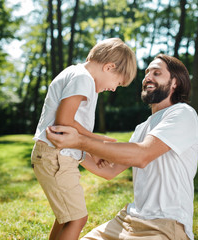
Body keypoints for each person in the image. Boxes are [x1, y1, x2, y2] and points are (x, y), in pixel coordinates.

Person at [46, 54, 198, 240]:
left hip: (164, 226)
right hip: (127, 220)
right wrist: (72, 149)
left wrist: (80, 141)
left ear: (175, 83)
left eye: (157, 73)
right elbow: (109, 171)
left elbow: (142, 155)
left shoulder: (182, 113)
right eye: (147, 73)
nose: (147, 77)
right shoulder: (142, 128)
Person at [31, 38, 137, 240]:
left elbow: (69, 126)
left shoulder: (75, 73)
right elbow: (64, 122)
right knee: (77, 219)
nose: (114, 88)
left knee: (67, 218)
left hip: (56, 156)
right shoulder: (84, 79)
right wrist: (98, 141)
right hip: (55, 157)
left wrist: (90, 151)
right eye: (118, 82)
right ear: (109, 67)